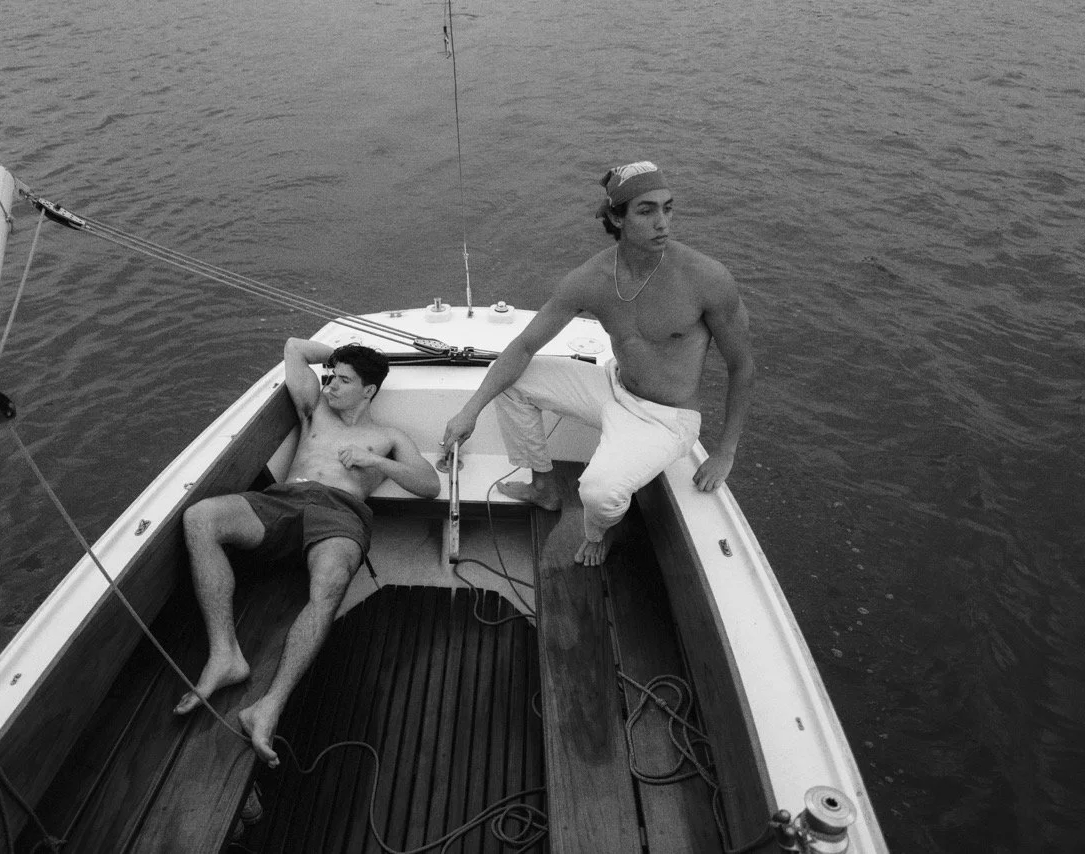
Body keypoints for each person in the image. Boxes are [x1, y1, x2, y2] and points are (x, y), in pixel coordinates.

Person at [441, 160, 754, 566]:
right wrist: (470, 410)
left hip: (666, 418)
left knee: (599, 494)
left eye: (668, 208)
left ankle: (598, 533)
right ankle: (543, 486)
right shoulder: (590, 278)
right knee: (511, 382)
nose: (663, 222)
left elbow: (742, 367)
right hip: (613, 386)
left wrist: (725, 452)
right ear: (615, 217)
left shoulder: (706, 278)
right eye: (646, 210)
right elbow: (522, 347)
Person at [175, 338, 440, 767]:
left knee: (331, 581)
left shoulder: (387, 436)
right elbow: (295, 348)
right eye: (331, 375)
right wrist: (343, 353)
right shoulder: (314, 408)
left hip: (341, 513)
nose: (332, 384)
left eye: (344, 380)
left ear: (369, 391)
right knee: (201, 518)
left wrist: (376, 463)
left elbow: (429, 486)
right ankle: (225, 654)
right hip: (283, 501)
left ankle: (269, 704)